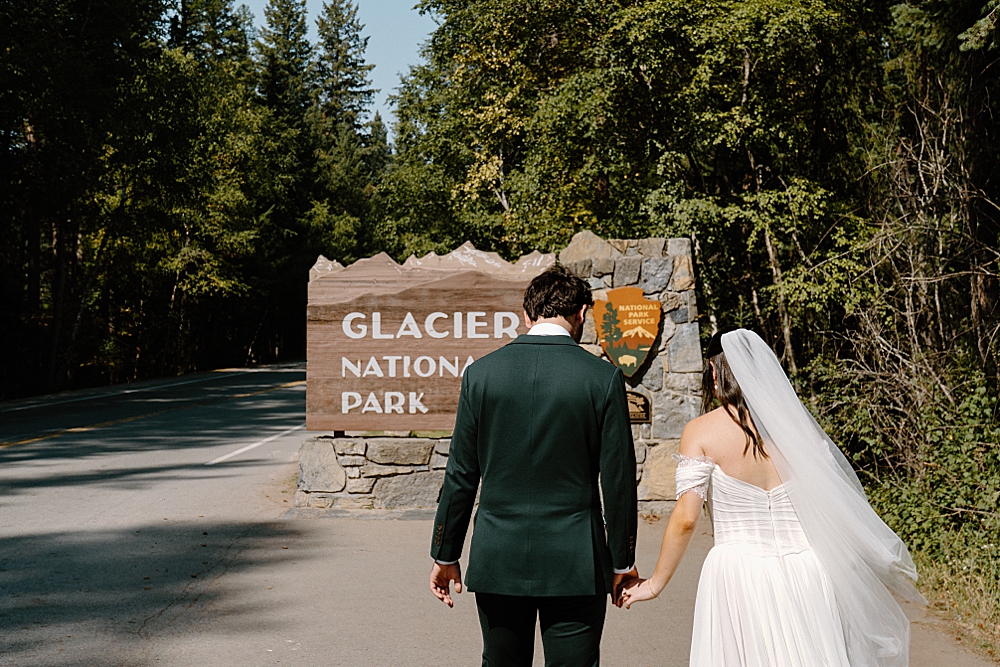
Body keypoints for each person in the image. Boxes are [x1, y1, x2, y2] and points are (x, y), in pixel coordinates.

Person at [620, 328, 926, 667]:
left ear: (714, 370)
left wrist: (655, 584)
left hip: (738, 575)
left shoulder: (701, 431)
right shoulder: (801, 433)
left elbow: (686, 518)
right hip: (809, 571)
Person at [429, 265, 638, 667]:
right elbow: (618, 481)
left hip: (498, 556)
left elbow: (460, 474)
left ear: (527, 316)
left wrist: (445, 552)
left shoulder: (481, 375)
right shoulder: (603, 378)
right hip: (577, 561)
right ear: (580, 315)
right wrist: (622, 561)